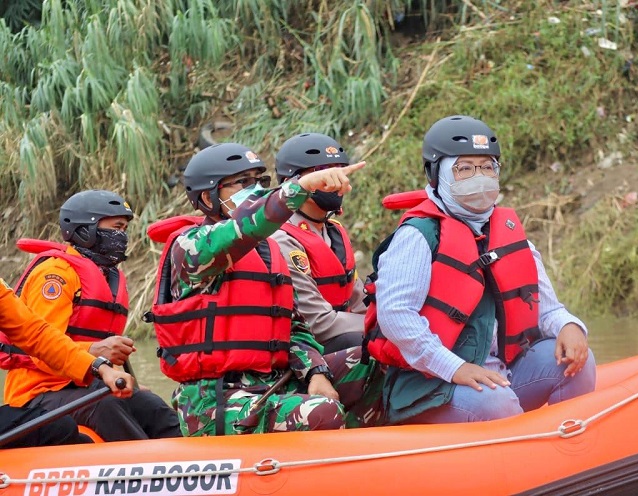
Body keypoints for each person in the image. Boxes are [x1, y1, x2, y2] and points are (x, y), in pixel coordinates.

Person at [367, 115, 597, 425]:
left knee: (579, 362)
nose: (480, 177)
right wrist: (455, 368)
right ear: (436, 174)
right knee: (496, 400)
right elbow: (396, 316)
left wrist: (569, 326)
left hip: (500, 371)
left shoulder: (510, 235)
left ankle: (567, 445)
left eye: (487, 167)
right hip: (432, 383)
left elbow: (547, 308)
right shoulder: (418, 236)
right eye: (465, 169)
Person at [145, 142, 383, 437]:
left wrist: (316, 372)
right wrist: (302, 186)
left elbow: (293, 326)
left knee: (376, 358)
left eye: (260, 181)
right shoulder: (192, 247)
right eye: (243, 182)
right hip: (215, 401)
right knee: (322, 411)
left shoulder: (268, 252)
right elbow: (245, 228)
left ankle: (367, 448)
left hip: (277, 382)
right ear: (208, 197)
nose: (255, 189)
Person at [4, 190, 181, 442]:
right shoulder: (55, 274)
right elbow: (40, 349)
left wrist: (120, 377)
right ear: (85, 230)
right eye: (116, 228)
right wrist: (95, 352)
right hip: (38, 393)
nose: (123, 237)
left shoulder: (109, 279)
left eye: (125, 229)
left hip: (89, 384)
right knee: (106, 406)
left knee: (150, 406)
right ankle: (138, 463)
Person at [0, 278, 134, 448]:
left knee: (68, 431)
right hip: (35, 394)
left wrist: (98, 366)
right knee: (62, 428)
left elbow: (37, 334)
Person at [270, 133, 366, 354]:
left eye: (340, 170)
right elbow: (317, 322)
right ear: (292, 181)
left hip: (340, 335)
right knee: (376, 343)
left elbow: (359, 301)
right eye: (324, 172)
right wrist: (380, 326)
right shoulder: (282, 238)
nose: (336, 181)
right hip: (304, 350)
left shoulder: (334, 231)